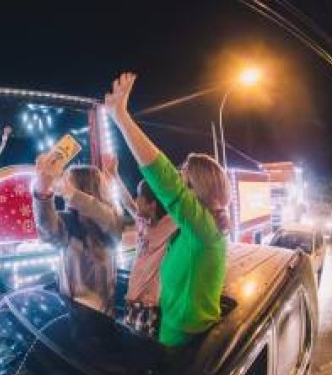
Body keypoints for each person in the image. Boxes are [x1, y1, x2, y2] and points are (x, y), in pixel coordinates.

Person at [104, 73, 231, 348]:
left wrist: (121, 118)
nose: (178, 186)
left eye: (184, 181)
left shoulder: (203, 230)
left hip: (179, 341)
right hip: (170, 329)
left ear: (200, 189)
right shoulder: (194, 230)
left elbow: (164, 180)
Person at [32, 153, 123, 317]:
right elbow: (47, 230)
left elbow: (102, 214)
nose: (63, 186)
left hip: (103, 313)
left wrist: (70, 193)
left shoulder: (110, 219)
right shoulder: (67, 220)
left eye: (69, 182)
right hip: (73, 312)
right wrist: (41, 192)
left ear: (84, 187)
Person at [102, 153, 177, 339]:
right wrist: (114, 175)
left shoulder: (171, 224)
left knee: (143, 355)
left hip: (150, 305)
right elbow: (128, 203)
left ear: (152, 204)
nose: (136, 200)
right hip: (133, 299)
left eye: (140, 197)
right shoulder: (144, 221)